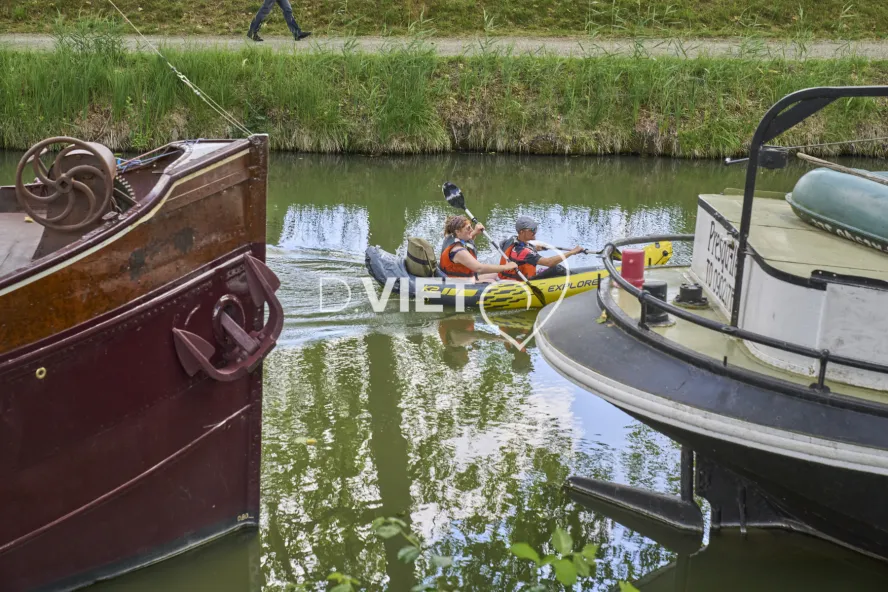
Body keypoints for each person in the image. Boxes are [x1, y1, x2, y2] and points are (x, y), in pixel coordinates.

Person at [498, 215, 583, 281]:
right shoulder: (524, 252)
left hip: (511, 278)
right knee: (556, 268)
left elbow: (506, 247)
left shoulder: (512, 241)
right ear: (522, 232)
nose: (535, 231)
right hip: (523, 282)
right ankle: (580, 280)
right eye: (532, 229)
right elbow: (549, 262)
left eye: (535, 229)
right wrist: (572, 252)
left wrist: (536, 248)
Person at [439, 215, 517, 282]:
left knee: (498, 275)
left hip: (465, 279)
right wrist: (506, 267)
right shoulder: (458, 251)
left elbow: (466, 242)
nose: (471, 230)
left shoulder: (453, 237)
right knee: (492, 281)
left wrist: (475, 232)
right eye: (468, 228)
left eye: (471, 227)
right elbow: (479, 268)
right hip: (457, 283)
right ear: (458, 232)